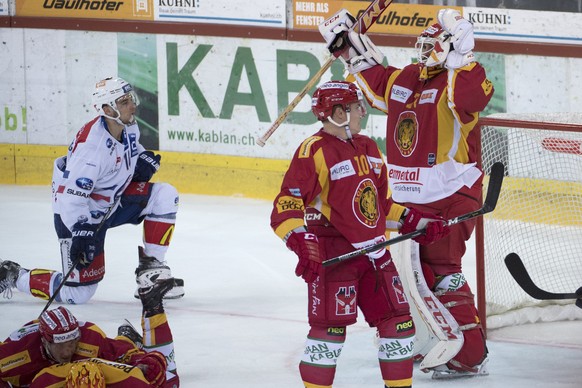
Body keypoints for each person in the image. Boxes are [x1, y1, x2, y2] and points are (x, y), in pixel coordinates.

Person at [320, 8, 494, 377]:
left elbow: (474, 97)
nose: (424, 49)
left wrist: (464, 57)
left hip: (450, 196)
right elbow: (376, 78)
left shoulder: (456, 79)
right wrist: (347, 47)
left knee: (441, 271)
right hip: (406, 201)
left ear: (448, 47)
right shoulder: (407, 76)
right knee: (406, 275)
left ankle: (469, 353)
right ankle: (427, 339)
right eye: (423, 43)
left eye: (433, 43)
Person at [270, 80, 450, 387]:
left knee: (399, 324)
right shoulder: (314, 151)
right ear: (338, 112)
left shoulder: (368, 147)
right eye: (355, 107)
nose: (361, 112)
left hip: (376, 255)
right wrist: (301, 241)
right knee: (330, 333)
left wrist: (414, 221)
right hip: (336, 255)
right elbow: (285, 204)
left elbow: (380, 206)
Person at [0, 76, 183, 305]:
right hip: (80, 217)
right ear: (107, 108)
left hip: (112, 202)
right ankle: (14, 275)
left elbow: (131, 149)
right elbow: (71, 198)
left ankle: (151, 274)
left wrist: (141, 160)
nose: (132, 105)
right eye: (124, 101)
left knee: (164, 196)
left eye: (130, 99)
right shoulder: (92, 150)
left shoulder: (126, 124)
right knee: (77, 294)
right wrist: (80, 229)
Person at [0, 277, 179, 387]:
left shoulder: (88, 338)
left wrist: (147, 361)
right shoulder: (13, 354)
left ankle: (128, 335)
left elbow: (123, 354)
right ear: (45, 341)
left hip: (91, 370)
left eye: (71, 344)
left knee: (167, 381)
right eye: (60, 345)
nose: (66, 352)